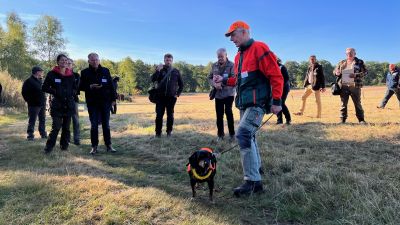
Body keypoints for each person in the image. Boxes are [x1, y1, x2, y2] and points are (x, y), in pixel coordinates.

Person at [219, 21, 283, 196]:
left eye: (233, 34)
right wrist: (223, 80)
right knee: (250, 136)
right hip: (244, 104)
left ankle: (253, 182)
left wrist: (277, 101)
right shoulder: (239, 56)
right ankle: (257, 169)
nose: (231, 39)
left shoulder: (260, 48)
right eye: (230, 36)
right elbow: (238, 80)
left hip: (258, 104)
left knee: (244, 135)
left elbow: (276, 76)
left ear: (244, 32)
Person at [80, 53, 117, 154]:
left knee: (106, 125)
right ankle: (94, 147)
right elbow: (80, 86)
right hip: (92, 103)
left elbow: (111, 85)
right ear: (88, 61)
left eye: (96, 59)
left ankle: (109, 145)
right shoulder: (84, 72)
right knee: (94, 125)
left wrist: (114, 99)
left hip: (105, 102)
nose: (95, 61)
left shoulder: (105, 70)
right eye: (92, 60)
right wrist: (90, 87)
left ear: (99, 60)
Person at [42, 54, 77, 153]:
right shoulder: (51, 74)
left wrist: (72, 93)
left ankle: (64, 147)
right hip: (57, 104)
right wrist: (55, 92)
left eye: (66, 60)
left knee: (66, 128)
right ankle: (48, 148)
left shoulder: (71, 75)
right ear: (58, 62)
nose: (64, 62)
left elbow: (75, 87)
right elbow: (44, 87)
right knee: (56, 127)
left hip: (69, 105)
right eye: (62, 60)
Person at [151, 53, 183, 138]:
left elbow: (181, 84)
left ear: (172, 61)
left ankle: (169, 132)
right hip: (160, 97)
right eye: (166, 60)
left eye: (170, 60)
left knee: (170, 116)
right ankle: (158, 133)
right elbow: (153, 79)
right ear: (164, 60)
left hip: (171, 98)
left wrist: (177, 94)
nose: (168, 62)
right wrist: (157, 70)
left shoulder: (176, 71)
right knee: (159, 116)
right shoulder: (159, 69)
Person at [333, 48, 367, 124]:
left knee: (357, 103)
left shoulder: (359, 62)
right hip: (343, 85)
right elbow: (334, 71)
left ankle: (361, 120)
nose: (349, 54)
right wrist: (336, 72)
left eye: (351, 52)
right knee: (343, 104)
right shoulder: (342, 62)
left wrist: (356, 75)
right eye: (348, 53)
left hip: (355, 85)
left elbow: (365, 72)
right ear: (346, 54)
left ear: (355, 53)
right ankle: (342, 120)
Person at [208, 48, 235, 141]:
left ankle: (232, 134)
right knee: (219, 115)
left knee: (228, 113)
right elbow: (209, 78)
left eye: (221, 56)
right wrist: (214, 84)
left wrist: (221, 84)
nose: (220, 58)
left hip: (229, 94)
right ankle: (220, 135)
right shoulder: (214, 65)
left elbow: (234, 78)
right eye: (218, 56)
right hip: (218, 95)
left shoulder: (232, 65)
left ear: (226, 55)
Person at [21, 66, 47, 140]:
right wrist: (29, 101)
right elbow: (24, 92)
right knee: (32, 120)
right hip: (33, 104)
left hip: (42, 103)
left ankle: (43, 134)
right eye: (41, 71)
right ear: (37, 72)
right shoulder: (28, 81)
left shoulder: (40, 80)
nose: (42, 73)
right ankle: (30, 135)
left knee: (42, 119)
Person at [67, 58, 81, 145]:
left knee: (75, 120)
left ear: (72, 65)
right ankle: (67, 139)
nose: (68, 64)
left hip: (73, 100)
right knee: (66, 121)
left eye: (70, 63)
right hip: (63, 100)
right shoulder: (61, 74)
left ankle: (77, 139)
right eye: (66, 63)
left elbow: (77, 88)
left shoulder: (76, 75)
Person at [276, 58, 291, 124]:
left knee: (281, 103)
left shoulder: (282, 67)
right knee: (277, 103)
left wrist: (281, 86)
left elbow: (286, 78)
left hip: (284, 88)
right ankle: (279, 121)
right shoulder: (272, 67)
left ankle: (288, 119)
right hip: (276, 88)